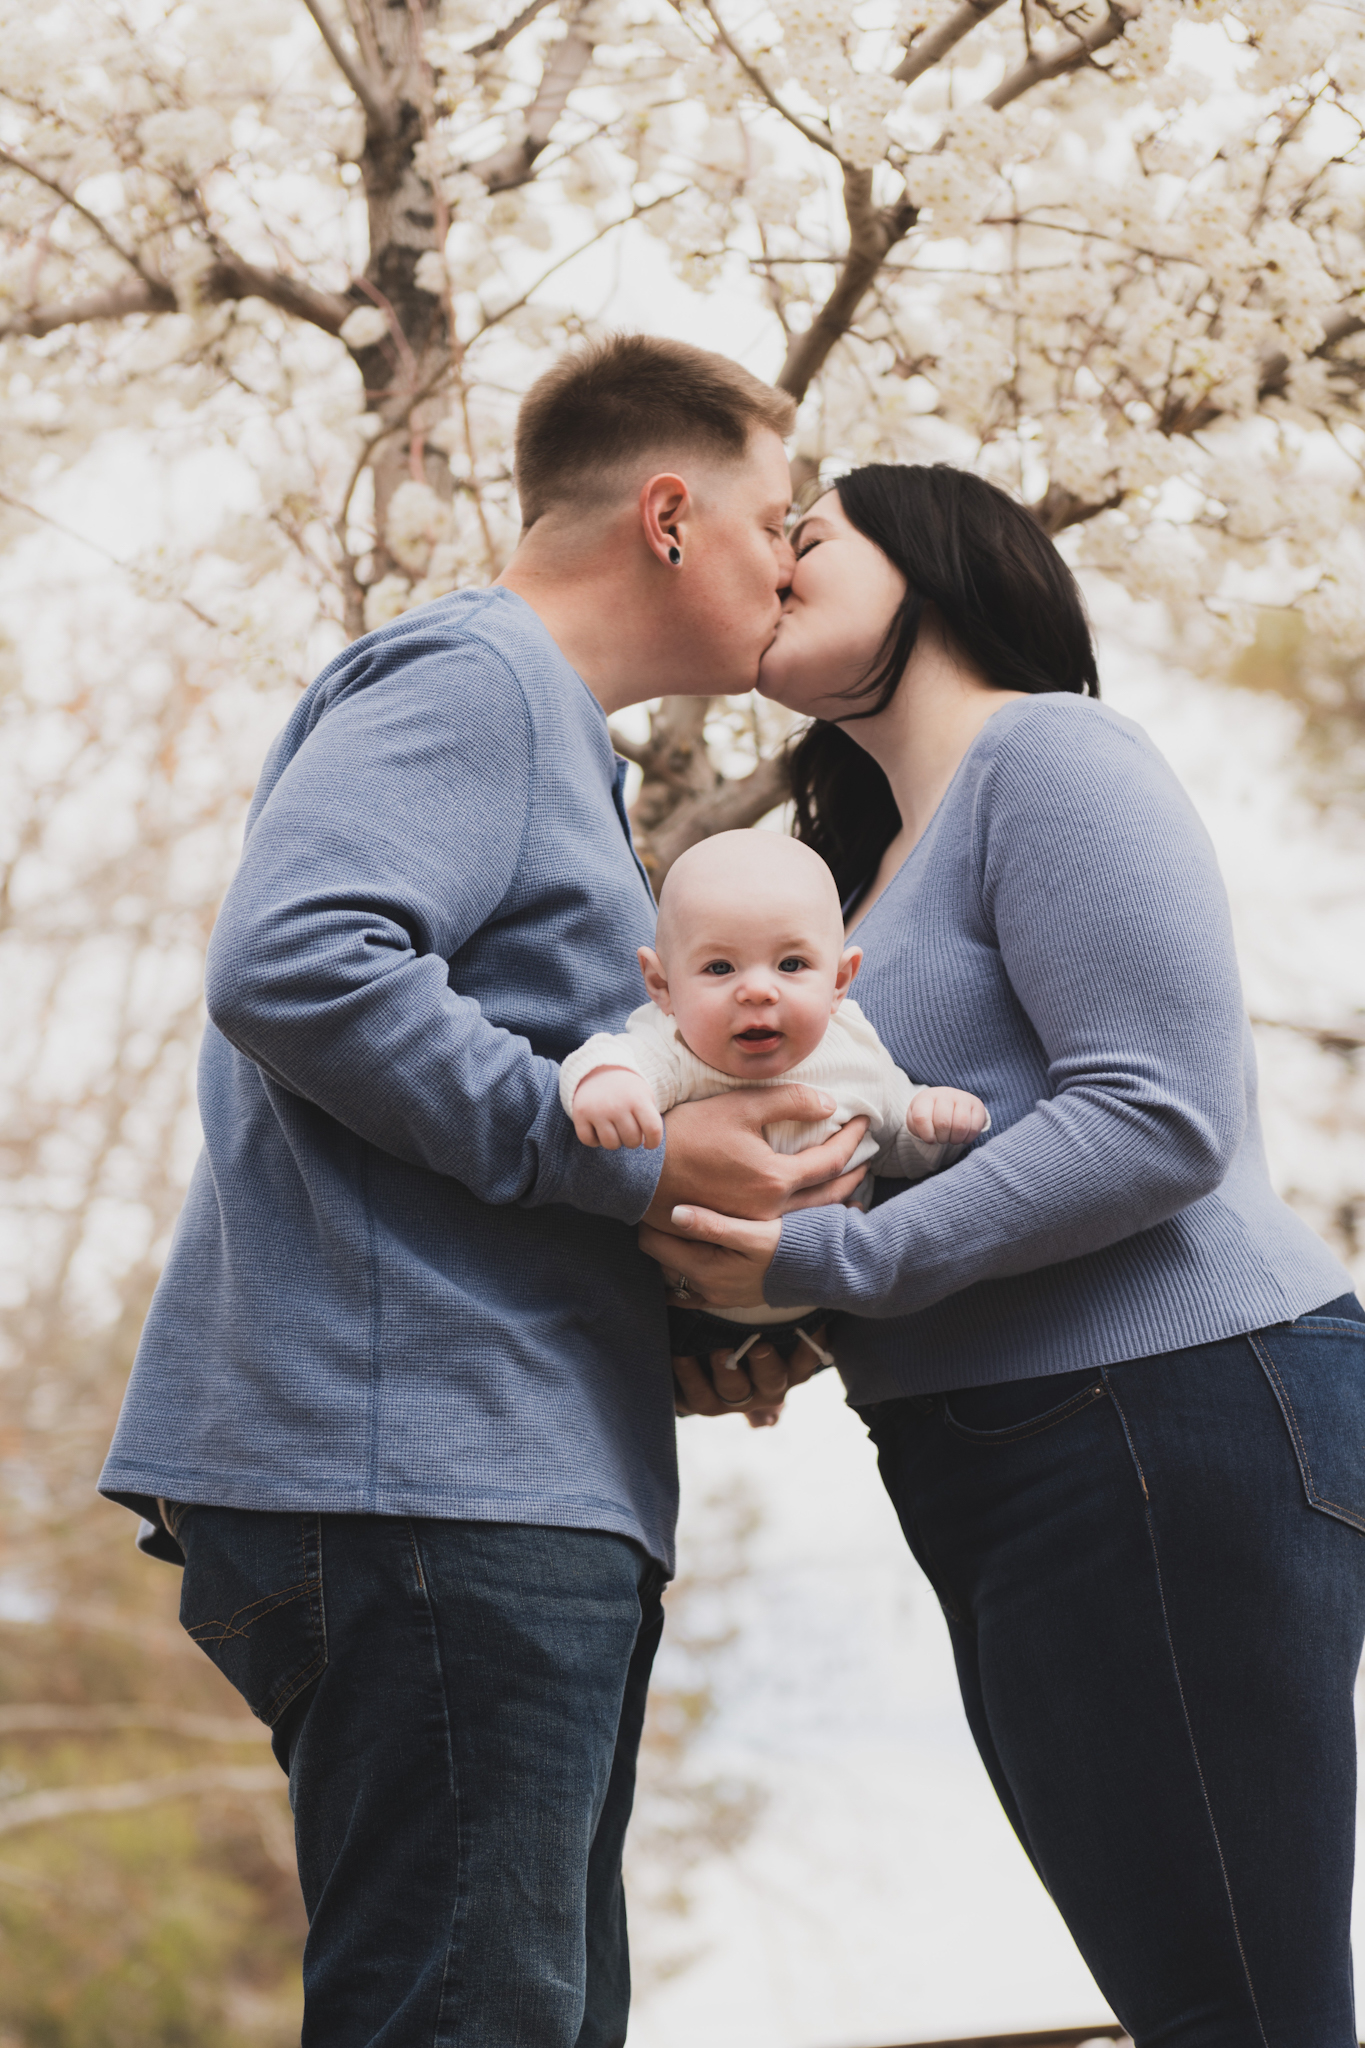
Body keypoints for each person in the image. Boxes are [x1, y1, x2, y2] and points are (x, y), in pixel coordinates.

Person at [96, 334, 873, 2048]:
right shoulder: (475, 682)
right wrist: (639, 1165)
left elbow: (479, 1108)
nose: (793, 559)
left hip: (485, 1473)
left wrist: (678, 1309)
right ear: (670, 513)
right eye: (777, 518)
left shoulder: (554, 749)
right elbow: (296, 964)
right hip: (428, 1478)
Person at [643, 462, 1365, 2041]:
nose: (770, 570)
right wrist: (767, 1322)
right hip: (1011, 1445)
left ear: (942, 561)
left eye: (808, 540)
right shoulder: (872, 873)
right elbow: (932, 1166)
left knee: (1242, 2002)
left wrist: (839, 1274)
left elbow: (1157, 1116)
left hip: (1165, 1408)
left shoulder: (1050, 752)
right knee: (1189, 1993)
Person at [561, 828, 987, 1377]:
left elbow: (892, 1146)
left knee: (783, 1373)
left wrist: (930, 1123)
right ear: (661, 985)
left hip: (815, 1309)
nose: (758, 990)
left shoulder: (856, 1051)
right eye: (720, 967)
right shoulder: (674, 1046)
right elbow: (611, 1058)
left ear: (839, 981)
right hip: (684, 1308)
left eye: (790, 965)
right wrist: (606, 1084)